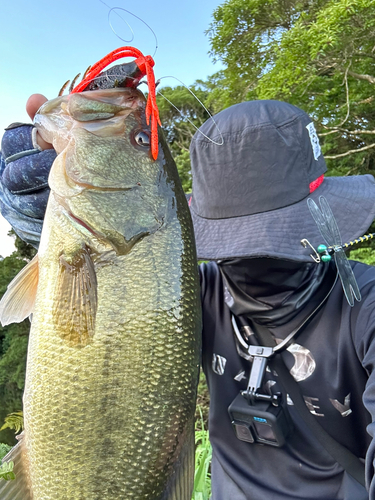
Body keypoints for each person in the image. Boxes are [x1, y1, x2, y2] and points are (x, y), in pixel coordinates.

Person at [1, 95, 375, 500]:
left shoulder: (365, 307)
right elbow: (112, 282)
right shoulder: (187, 293)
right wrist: (34, 221)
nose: (256, 259)